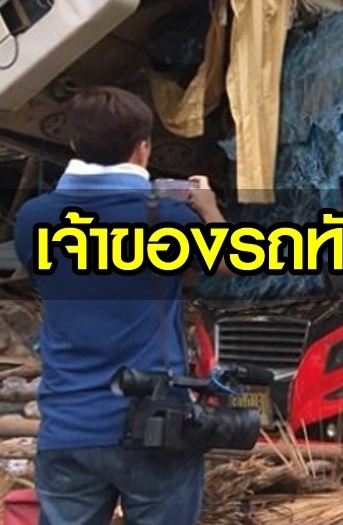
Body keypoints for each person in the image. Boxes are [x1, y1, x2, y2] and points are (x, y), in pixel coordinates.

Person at [13, 86, 234, 525]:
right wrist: (208, 208)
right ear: (142, 148)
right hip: (155, 426)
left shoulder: (35, 218)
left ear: (73, 142)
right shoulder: (167, 220)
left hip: (69, 425)